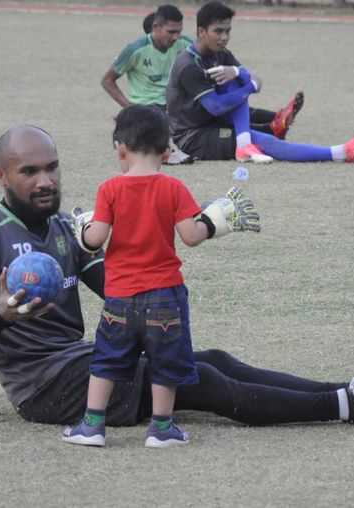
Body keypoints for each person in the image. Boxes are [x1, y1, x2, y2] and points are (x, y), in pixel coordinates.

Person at [0, 124, 354, 436]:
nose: (46, 181)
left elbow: (118, 285)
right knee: (199, 380)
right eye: (30, 172)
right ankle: (350, 405)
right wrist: (2, 313)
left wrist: (183, 235)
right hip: (44, 386)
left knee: (210, 358)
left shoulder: (65, 227)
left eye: (52, 167)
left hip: (86, 357)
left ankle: (348, 390)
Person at [62, 105, 261, 448]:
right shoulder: (174, 188)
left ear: (119, 147)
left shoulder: (109, 189)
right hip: (165, 296)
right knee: (165, 362)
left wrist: (81, 227)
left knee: (106, 359)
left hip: (120, 297)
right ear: (168, 150)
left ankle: (92, 426)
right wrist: (216, 220)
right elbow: (191, 236)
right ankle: (162, 428)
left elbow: (94, 240)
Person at [167, 1, 354, 163]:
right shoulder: (188, 65)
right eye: (218, 31)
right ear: (201, 31)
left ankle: (244, 142)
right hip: (193, 137)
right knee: (264, 141)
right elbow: (216, 106)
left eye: (228, 31)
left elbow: (249, 77)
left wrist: (237, 71)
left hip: (213, 124)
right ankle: (339, 153)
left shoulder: (221, 54)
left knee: (237, 83)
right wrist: (250, 86)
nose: (224, 37)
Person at [100, 4, 305, 164]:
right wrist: (131, 109)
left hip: (178, 105)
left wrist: (234, 72)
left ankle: (277, 119)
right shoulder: (135, 49)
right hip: (154, 111)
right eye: (171, 31)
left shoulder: (183, 45)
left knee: (227, 104)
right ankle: (272, 127)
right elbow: (107, 80)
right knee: (220, 108)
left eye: (179, 31)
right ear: (156, 27)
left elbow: (200, 53)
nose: (176, 36)